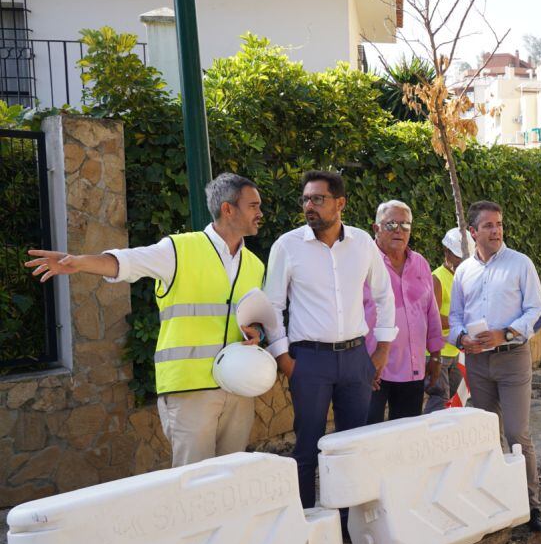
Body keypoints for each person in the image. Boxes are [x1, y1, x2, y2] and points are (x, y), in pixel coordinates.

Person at [25, 173, 268, 466]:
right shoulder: (179, 249)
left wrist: (256, 333)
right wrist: (78, 262)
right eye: (253, 206)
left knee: (234, 478)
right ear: (228, 209)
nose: (260, 213)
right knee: (193, 483)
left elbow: (254, 318)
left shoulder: (255, 265)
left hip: (238, 387)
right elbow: (127, 261)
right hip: (189, 389)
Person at [264, 170, 396, 512]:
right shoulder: (288, 245)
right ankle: (307, 523)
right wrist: (284, 358)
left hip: (356, 360)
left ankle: (349, 526)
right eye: (306, 199)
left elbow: (384, 296)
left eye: (318, 199)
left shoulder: (363, 243)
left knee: (353, 446)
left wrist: (381, 350)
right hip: (309, 362)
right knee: (307, 447)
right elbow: (272, 305)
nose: (310, 206)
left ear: (340, 203)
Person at [449, 201, 541, 532]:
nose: (496, 231)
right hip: (477, 362)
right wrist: (462, 339)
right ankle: (494, 501)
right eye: (488, 226)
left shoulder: (520, 264)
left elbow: (537, 311)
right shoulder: (464, 271)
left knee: (516, 432)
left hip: (512, 358)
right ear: (473, 232)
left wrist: (504, 333)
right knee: (486, 434)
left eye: (499, 224)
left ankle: (531, 506)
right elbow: (456, 317)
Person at [363, 200, 443, 424]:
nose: (399, 230)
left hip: (412, 368)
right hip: (372, 368)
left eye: (405, 225)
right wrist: (359, 363)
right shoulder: (363, 263)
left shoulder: (420, 263)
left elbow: (431, 312)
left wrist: (435, 355)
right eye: (391, 225)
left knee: (406, 437)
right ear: (376, 228)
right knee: (369, 437)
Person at [425, 227, 466, 413]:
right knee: (439, 402)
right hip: (437, 353)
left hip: (455, 351)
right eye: (457, 256)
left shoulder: (461, 278)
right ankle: (429, 439)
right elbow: (431, 318)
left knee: (451, 401)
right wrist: (459, 321)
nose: (460, 261)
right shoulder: (437, 278)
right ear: (446, 252)